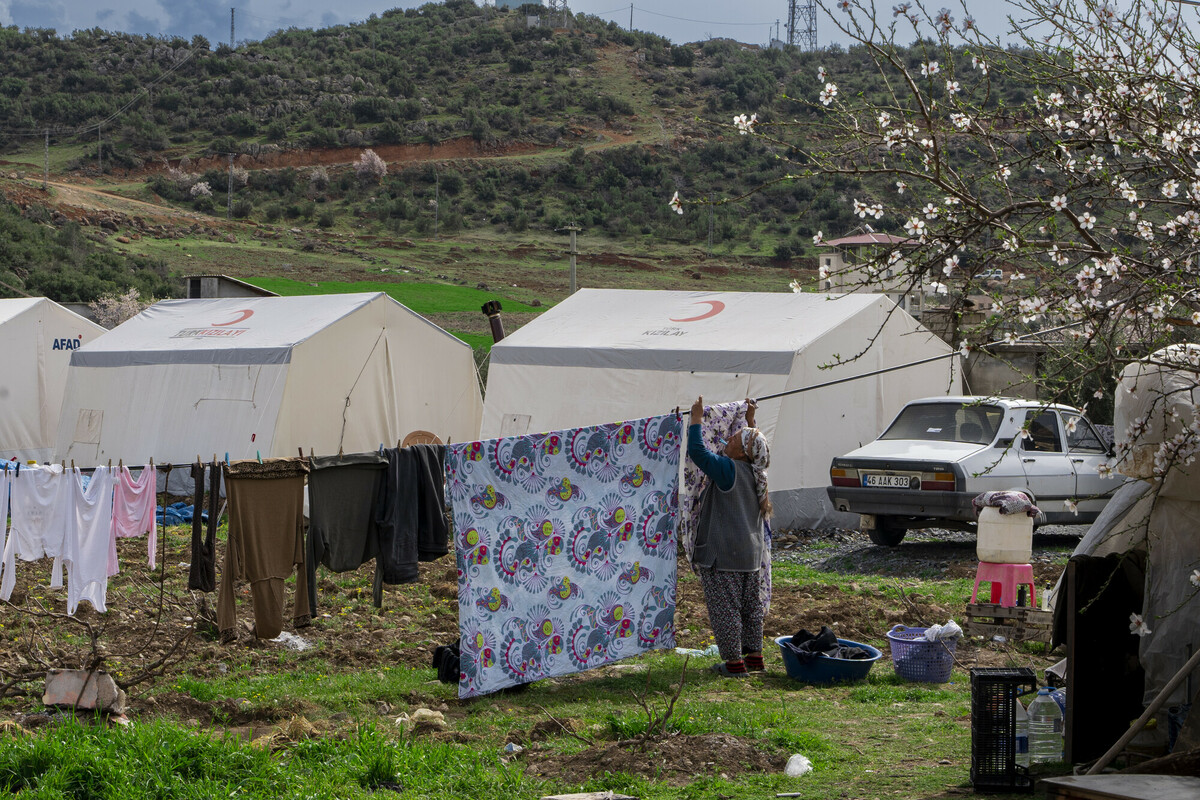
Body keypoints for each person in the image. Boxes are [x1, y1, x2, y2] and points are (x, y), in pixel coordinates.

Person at [687, 395, 772, 678]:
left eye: (735, 437)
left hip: (724, 554)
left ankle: (734, 664)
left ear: (740, 451)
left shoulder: (728, 470)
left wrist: (696, 420)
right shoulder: (758, 473)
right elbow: (754, 445)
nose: (730, 438)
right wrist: (749, 420)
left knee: (726, 610)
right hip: (750, 555)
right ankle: (755, 657)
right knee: (750, 608)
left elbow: (699, 454)